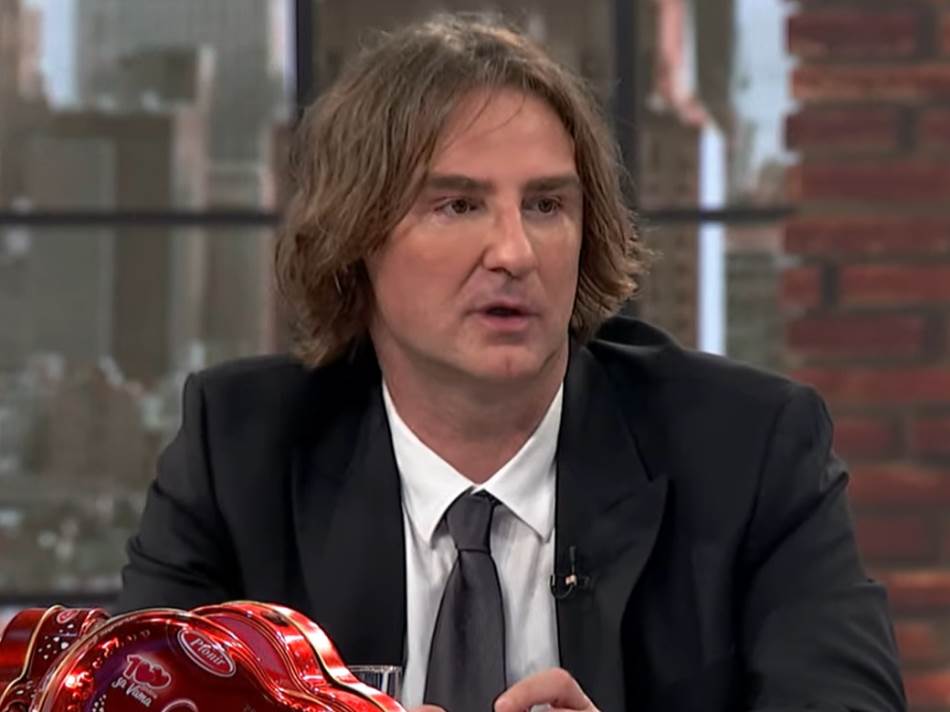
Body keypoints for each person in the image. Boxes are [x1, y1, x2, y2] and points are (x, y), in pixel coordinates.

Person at [116, 13, 905, 712]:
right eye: (458, 204)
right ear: (356, 238)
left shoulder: (749, 451)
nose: (515, 252)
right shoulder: (239, 455)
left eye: (546, 205)